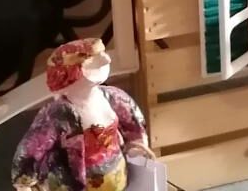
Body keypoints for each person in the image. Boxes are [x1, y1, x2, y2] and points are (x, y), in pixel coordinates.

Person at [12, 39, 150, 191]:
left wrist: (137, 144)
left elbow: (132, 120)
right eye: (92, 61)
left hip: (116, 172)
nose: (106, 60)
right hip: (75, 180)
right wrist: (24, 181)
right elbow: (34, 145)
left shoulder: (112, 97)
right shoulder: (58, 113)